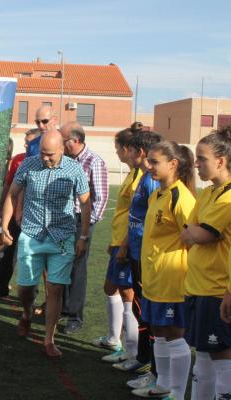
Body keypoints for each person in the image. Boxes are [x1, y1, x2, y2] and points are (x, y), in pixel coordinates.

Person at [1, 129, 91, 358]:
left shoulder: (74, 169)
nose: (45, 158)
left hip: (62, 236)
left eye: (50, 154)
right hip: (31, 234)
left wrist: (83, 236)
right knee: (25, 288)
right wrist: (4, 226)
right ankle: (27, 312)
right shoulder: (28, 165)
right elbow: (13, 193)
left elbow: (85, 203)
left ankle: (48, 339)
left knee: (55, 289)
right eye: (42, 153)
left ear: (62, 149)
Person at [129, 141, 195, 399]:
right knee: (158, 331)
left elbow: (193, 240)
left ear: (173, 164)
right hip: (154, 278)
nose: (149, 165)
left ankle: (176, 393)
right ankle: (162, 384)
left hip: (173, 279)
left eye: (155, 162)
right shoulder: (157, 194)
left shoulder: (181, 197)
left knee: (173, 334)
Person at [180, 127, 231, 399]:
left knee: (222, 353)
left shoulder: (228, 198)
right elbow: (188, 233)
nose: (196, 164)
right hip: (197, 287)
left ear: (221, 161)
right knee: (203, 354)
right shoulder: (210, 193)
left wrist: (194, 231)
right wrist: (193, 231)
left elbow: (199, 233)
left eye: (202, 158)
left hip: (216, 289)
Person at [113, 127, 163, 374]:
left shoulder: (152, 181)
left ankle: (147, 362)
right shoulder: (143, 177)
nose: (126, 154)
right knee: (139, 308)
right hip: (135, 251)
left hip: (147, 256)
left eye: (130, 150)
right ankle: (140, 356)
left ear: (139, 151)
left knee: (146, 311)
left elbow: (155, 220)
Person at [92, 126, 143, 363]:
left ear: (128, 149)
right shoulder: (132, 174)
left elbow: (138, 215)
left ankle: (132, 351)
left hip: (128, 243)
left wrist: (123, 244)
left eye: (118, 149)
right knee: (111, 288)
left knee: (128, 295)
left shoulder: (142, 178)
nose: (118, 154)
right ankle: (114, 338)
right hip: (119, 241)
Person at [59, 121, 108, 333]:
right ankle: (63, 306)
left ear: (76, 141)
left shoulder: (94, 161)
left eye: (64, 140)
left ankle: (75, 317)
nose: (61, 144)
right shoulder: (67, 160)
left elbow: (101, 197)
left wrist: (87, 226)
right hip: (64, 219)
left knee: (78, 267)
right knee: (62, 262)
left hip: (81, 220)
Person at [0, 128, 40, 300]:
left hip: (34, 219)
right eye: (25, 142)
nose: (25, 145)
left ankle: (31, 296)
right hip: (13, 214)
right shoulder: (18, 160)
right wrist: (1, 206)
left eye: (29, 142)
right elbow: (8, 187)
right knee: (7, 252)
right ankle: (1, 289)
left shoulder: (47, 163)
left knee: (32, 257)